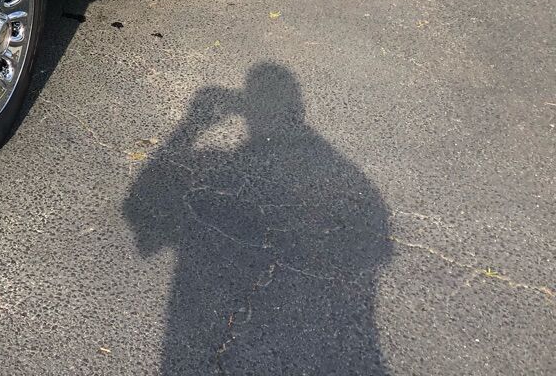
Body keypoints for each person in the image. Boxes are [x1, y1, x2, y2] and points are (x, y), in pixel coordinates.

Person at [125, 63, 392, 375]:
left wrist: (191, 125)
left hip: (242, 333)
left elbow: (138, 211)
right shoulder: (356, 183)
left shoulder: (230, 164)